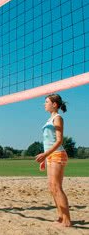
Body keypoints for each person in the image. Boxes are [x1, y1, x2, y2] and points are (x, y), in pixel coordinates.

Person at [35, 94, 72, 227]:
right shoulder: (49, 119)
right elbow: (47, 141)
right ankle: (61, 217)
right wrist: (45, 158)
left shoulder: (58, 118)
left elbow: (59, 140)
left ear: (54, 104)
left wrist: (45, 154)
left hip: (57, 154)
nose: (44, 104)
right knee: (51, 187)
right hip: (51, 155)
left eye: (46, 102)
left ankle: (67, 220)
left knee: (57, 187)